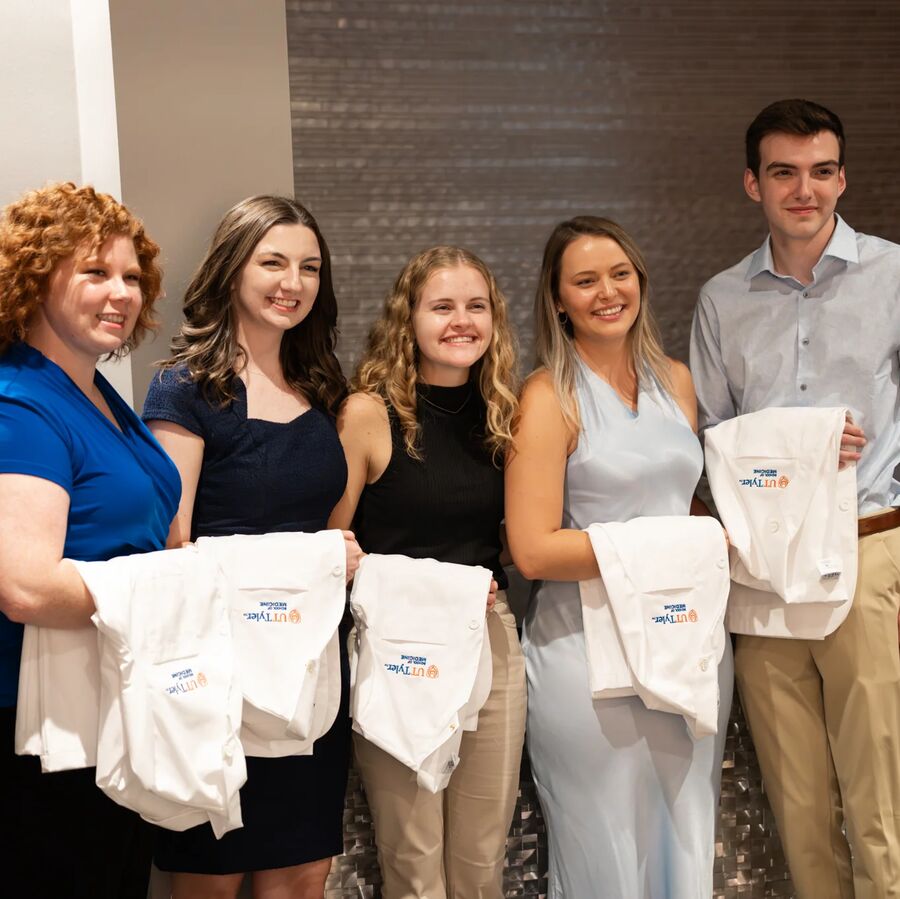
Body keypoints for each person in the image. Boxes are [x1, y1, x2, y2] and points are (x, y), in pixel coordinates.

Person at [690, 98, 900, 899]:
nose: (803, 190)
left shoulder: (893, 273)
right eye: (784, 172)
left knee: (882, 802)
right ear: (754, 184)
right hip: (763, 571)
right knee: (800, 806)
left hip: (871, 545)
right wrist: (792, 442)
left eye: (820, 171)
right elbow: (711, 436)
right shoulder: (721, 299)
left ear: (842, 178)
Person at [143, 195, 362, 899]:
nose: (291, 282)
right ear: (233, 266)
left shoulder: (323, 387)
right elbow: (171, 542)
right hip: (218, 678)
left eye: (309, 267)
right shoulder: (186, 387)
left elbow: (331, 527)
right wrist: (316, 559)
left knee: (302, 872)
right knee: (211, 875)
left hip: (309, 671)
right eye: (273, 261)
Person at [505, 216, 732, 898]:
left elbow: (678, 501)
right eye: (585, 280)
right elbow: (534, 548)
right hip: (587, 658)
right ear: (557, 299)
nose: (607, 292)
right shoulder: (548, 397)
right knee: (602, 847)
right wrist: (680, 547)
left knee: (685, 834)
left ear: (640, 280)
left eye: (620, 274)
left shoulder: (679, 381)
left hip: (686, 644)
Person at [0, 182, 180, 898]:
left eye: (132, 277)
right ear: (35, 278)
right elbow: (24, 584)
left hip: (109, 703)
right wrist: (176, 588)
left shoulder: (99, 395)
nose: (121, 293)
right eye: (95, 272)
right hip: (37, 724)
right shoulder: (22, 403)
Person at [328, 245, 525, 899]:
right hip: (398, 647)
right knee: (415, 864)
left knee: (480, 862)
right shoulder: (368, 415)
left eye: (477, 306)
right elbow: (331, 546)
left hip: (488, 638)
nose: (461, 320)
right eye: (442, 306)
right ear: (406, 318)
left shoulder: (505, 416)